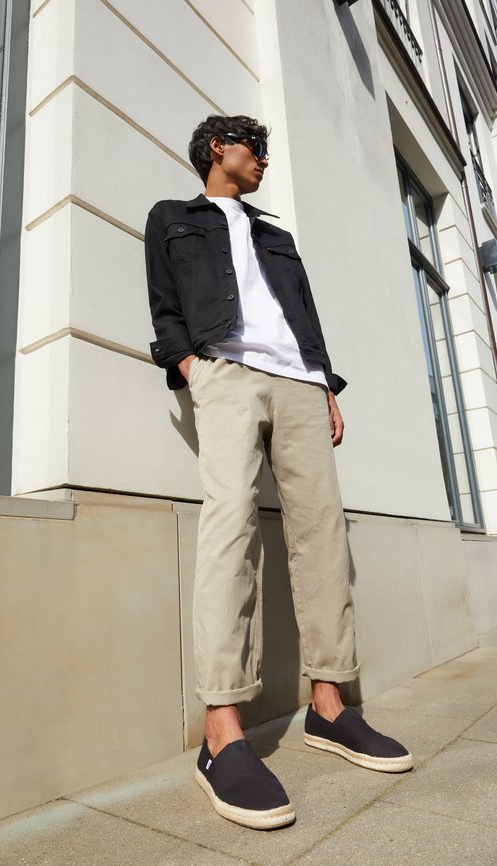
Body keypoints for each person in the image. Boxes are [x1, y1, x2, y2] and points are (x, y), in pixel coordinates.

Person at [145, 115, 412, 830]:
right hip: (224, 372)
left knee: (322, 533)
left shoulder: (275, 235)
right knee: (230, 525)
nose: (263, 160)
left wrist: (324, 384)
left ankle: (329, 706)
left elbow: (304, 315)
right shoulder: (173, 218)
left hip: (299, 382)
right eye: (254, 148)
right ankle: (221, 731)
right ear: (217, 149)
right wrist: (191, 366)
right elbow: (165, 305)